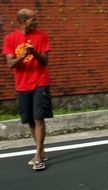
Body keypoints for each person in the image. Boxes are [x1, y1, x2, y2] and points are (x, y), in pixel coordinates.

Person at [2, 8, 53, 171]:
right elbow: (10, 64)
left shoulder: (41, 36)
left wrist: (34, 53)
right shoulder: (10, 38)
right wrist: (23, 55)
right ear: (23, 21)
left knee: (39, 118)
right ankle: (41, 150)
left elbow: (45, 61)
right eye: (33, 19)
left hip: (40, 82)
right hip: (22, 84)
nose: (36, 21)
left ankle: (38, 155)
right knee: (30, 119)